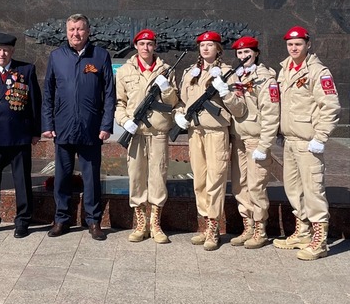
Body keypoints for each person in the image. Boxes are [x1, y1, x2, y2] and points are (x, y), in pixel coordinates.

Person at [42, 13, 116, 240]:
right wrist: (47, 123)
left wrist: (106, 125)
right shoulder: (57, 57)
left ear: (88, 31)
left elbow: (109, 94)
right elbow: (48, 94)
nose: (76, 33)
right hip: (63, 127)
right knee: (62, 176)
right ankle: (61, 219)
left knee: (91, 177)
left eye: (80, 29)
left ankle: (93, 221)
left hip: (91, 128)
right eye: (72, 29)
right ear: (66, 32)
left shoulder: (100, 56)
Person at [173, 31, 245, 251]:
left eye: (210, 45)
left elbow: (239, 108)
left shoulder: (227, 73)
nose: (205, 49)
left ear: (218, 49)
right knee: (200, 180)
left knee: (215, 179)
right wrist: (179, 114)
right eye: (202, 45)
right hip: (196, 133)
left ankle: (214, 226)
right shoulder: (190, 73)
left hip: (215, 133)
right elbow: (182, 100)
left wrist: (225, 93)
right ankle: (205, 223)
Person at [273, 26, 340, 260]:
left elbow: (330, 106)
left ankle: (320, 241)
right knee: (293, 189)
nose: (294, 48)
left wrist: (321, 137)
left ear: (307, 44)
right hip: (290, 141)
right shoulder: (285, 70)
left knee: (313, 190)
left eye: (298, 44)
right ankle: (302, 232)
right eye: (290, 44)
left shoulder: (318, 72)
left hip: (309, 142)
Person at [0, 32, 43, 238]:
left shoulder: (25, 70)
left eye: (5, 50)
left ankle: (22, 221)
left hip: (19, 135)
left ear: (12, 51)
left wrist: (35, 132)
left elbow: (35, 103)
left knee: (21, 180)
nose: (1, 54)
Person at [114, 28, 179, 243]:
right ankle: (141, 223)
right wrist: (125, 122)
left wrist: (166, 88)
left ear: (155, 46)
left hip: (158, 132)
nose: (146, 48)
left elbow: (173, 103)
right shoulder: (124, 71)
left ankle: (156, 224)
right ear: (136, 46)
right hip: (135, 133)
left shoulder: (166, 70)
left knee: (158, 176)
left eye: (150, 44)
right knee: (136, 176)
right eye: (142, 44)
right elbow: (119, 103)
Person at [227, 36, 280, 250]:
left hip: (256, 140)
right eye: (239, 53)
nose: (243, 56)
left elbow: (271, 114)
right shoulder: (235, 76)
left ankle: (260, 228)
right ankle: (247, 224)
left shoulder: (265, 78)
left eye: (247, 52)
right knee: (240, 185)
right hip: (238, 137)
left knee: (256, 184)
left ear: (256, 53)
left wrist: (264, 145)